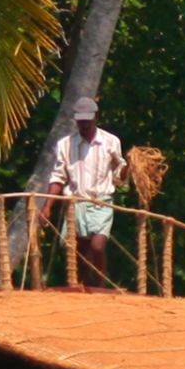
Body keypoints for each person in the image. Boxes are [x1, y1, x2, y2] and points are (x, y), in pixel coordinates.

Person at [43, 100, 126, 289]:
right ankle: (83, 286)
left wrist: (126, 168)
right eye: (81, 122)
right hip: (76, 203)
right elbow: (58, 176)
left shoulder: (110, 142)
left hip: (101, 202)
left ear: (96, 117)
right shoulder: (65, 144)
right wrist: (48, 206)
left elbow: (119, 175)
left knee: (97, 246)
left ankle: (100, 285)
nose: (84, 125)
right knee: (77, 250)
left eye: (88, 121)